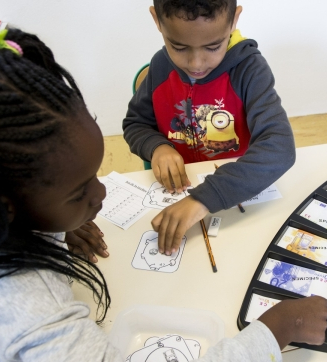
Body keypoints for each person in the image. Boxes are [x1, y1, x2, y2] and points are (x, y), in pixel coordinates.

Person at [0, 28, 327, 362]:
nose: (102, 192)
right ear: (6, 209)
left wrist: (51, 227)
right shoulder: (24, 303)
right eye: (78, 192)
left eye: (93, 176)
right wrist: (274, 332)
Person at [123, 0, 296, 256]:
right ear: (157, 20)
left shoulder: (249, 70)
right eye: (178, 47)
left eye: (213, 46)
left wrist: (203, 198)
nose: (196, 63)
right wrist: (157, 146)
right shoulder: (160, 66)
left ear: (234, 20)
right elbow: (135, 123)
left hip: (234, 196)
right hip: (178, 194)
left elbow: (280, 148)